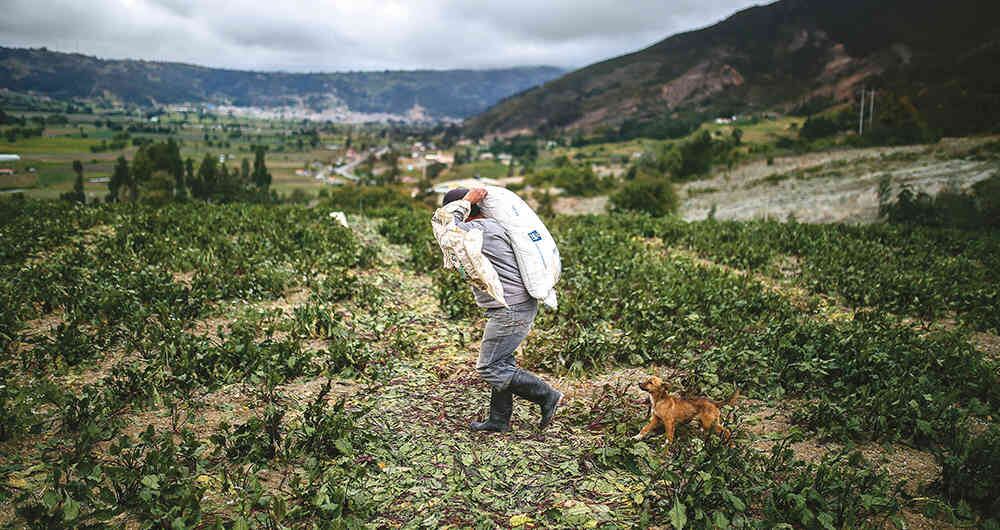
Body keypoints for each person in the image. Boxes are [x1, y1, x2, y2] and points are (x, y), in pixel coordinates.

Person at [434, 187, 562, 432]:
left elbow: (446, 227)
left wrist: (466, 201)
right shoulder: (486, 229)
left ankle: (546, 395)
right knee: (502, 362)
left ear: (468, 210)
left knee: (489, 367)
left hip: (511, 310)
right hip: (513, 307)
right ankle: (498, 420)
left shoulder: (480, 231)